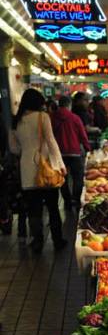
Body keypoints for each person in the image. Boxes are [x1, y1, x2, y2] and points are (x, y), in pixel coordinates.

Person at [9, 88, 67, 253]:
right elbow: (51, 142)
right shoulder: (43, 117)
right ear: (37, 103)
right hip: (46, 169)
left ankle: (37, 241)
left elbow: (14, 148)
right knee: (53, 207)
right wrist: (60, 164)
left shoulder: (16, 121)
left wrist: (27, 151)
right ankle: (58, 240)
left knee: (33, 209)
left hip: (27, 170)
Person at [52, 95, 90, 213]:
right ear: (69, 105)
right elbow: (83, 135)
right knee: (78, 178)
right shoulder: (75, 118)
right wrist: (87, 148)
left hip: (59, 154)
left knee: (63, 179)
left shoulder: (52, 118)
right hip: (74, 152)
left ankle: (67, 202)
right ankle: (76, 200)